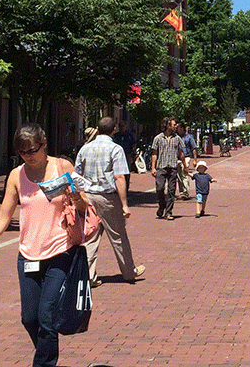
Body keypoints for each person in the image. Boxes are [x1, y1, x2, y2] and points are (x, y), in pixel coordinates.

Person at [0, 123, 87, 367]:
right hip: (28, 255)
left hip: (60, 251)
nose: (28, 156)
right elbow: (3, 216)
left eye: (33, 150)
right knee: (30, 318)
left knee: (47, 315)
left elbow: (83, 207)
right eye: (23, 152)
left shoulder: (63, 167)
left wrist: (75, 197)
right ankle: (46, 347)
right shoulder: (16, 176)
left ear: (44, 144)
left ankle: (43, 363)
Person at [74, 116, 145, 288]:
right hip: (108, 197)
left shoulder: (85, 149)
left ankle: (88, 275)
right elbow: (119, 177)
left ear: (97, 130)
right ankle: (129, 271)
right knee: (118, 235)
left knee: (90, 236)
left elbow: (76, 175)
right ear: (113, 130)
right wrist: (125, 204)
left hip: (88, 196)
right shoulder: (116, 149)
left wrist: (80, 195)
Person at [149, 118, 185, 220]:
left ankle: (168, 212)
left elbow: (181, 152)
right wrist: (153, 167)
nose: (176, 126)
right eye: (174, 124)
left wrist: (185, 166)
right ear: (167, 125)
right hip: (161, 167)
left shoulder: (177, 138)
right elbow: (154, 153)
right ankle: (162, 205)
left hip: (173, 167)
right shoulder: (158, 138)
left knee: (171, 190)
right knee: (159, 188)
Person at [112, 121, 136, 192]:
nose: (121, 128)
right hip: (117, 155)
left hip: (127, 154)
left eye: (123, 126)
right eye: (120, 126)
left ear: (126, 127)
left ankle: (126, 189)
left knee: (126, 172)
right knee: (117, 172)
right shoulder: (116, 136)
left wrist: (133, 153)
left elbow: (133, 144)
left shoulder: (129, 136)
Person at [175, 123, 195, 201]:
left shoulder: (189, 137)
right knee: (179, 176)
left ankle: (186, 192)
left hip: (186, 157)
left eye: (178, 128)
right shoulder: (176, 137)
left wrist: (195, 160)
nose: (177, 129)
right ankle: (181, 192)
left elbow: (194, 148)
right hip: (177, 158)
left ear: (182, 128)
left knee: (184, 174)